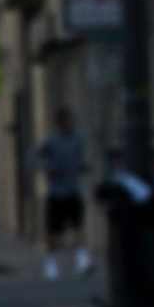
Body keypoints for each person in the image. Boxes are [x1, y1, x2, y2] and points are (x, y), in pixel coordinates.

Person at [39, 108, 90, 279]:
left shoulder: (77, 139)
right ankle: (51, 264)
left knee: (78, 227)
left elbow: (82, 159)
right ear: (60, 123)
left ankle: (82, 262)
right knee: (53, 232)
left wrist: (83, 167)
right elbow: (34, 157)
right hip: (56, 193)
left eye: (71, 120)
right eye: (67, 121)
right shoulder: (51, 141)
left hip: (73, 190)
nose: (70, 124)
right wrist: (47, 169)